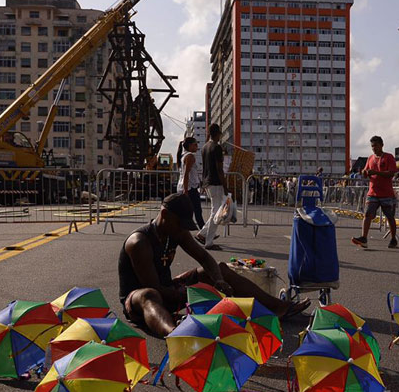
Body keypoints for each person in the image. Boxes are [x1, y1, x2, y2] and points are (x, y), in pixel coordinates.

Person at [119, 193, 310, 338]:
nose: (183, 229)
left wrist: (218, 280)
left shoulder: (176, 231)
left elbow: (204, 257)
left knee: (221, 268)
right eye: (180, 224)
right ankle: (175, 334)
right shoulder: (139, 242)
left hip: (167, 289)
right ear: (164, 215)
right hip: (139, 301)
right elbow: (155, 288)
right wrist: (191, 294)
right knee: (149, 295)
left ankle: (278, 307)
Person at [352, 135, 398, 249]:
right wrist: (364, 172)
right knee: (367, 214)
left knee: (389, 217)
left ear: (382, 145)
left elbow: (391, 173)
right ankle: (364, 238)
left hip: (386, 193)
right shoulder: (370, 158)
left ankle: (393, 238)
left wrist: (377, 173)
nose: (374, 148)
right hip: (373, 192)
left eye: (376, 146)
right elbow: (366, 171)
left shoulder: (389, 157)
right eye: (372, 146)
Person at [196, 124, 227, 250]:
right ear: (218, 133)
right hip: (216, 182)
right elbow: (219, 169)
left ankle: (203, 233)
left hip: (207, 182)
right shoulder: (217, 147)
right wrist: (225, 185)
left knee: (215, 211)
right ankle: (209, 241)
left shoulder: (204, 147)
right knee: (217, 213)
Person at [176, 137, 205, 229]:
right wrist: (186, 190)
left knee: (188, 211)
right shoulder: (190, 156)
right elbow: (186, 174)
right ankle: (204, 232)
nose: (197, 147)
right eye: (195, 145)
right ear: (190, 146)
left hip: (185, 187)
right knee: (197, 210)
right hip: (189, 188)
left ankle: (184, 230)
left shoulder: (183, 155)